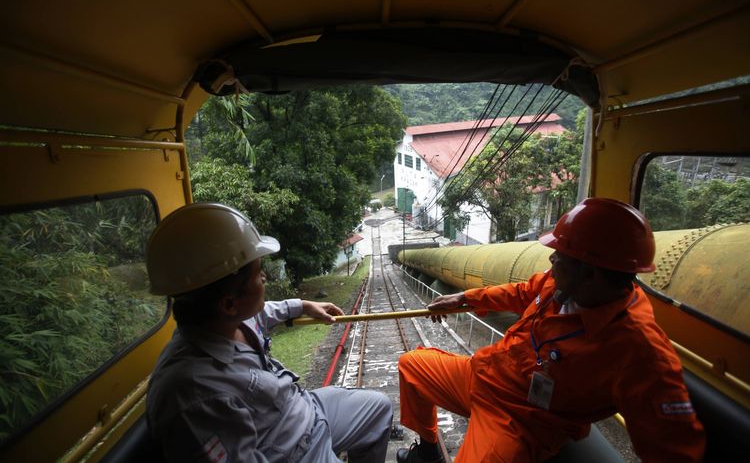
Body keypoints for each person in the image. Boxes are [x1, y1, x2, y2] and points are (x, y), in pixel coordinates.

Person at [396, 198, 705, 462]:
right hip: (481, 374)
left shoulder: (639, 351)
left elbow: (673, 448)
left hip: (515, 419)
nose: (551, 258)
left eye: (561, 255)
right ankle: (428, 451)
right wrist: (465, 298)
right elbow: (521, 292)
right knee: (411, 365)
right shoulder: (562, 283)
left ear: (589, 274)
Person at [146, 203, 393, 462]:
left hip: (305, 409)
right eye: (257, 273)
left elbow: (262, 313)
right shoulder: (196, 397)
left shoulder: (224, 320)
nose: (264, 278)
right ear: (229, 303)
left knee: (379, 409)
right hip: (295, 452)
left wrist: (303, 305)